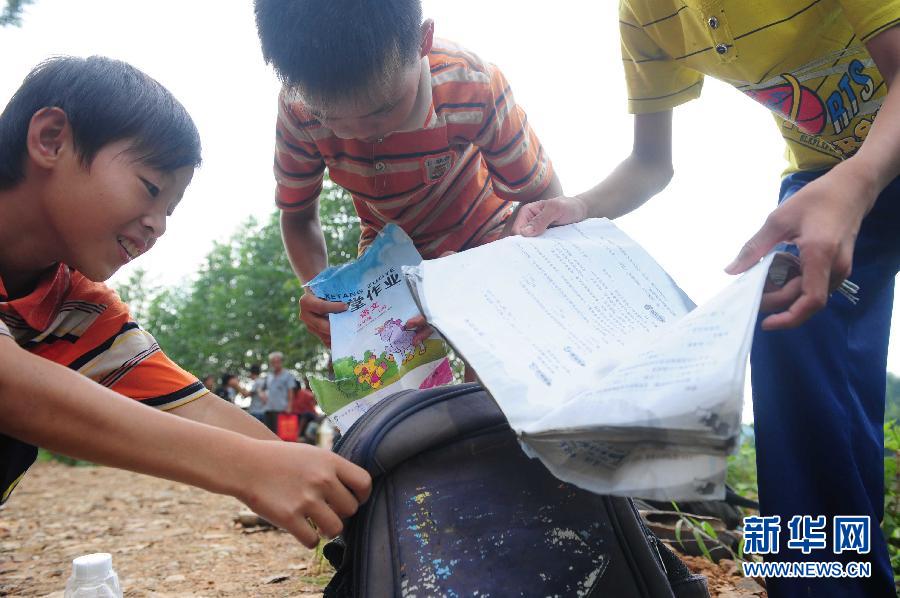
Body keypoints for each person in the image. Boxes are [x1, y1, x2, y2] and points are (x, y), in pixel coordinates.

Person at [513, 4, 900, 597]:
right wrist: (582, 207)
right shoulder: (647, 14)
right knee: (782, 320)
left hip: (867, 159)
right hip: (826, 170)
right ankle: (828, 587)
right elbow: (650, 163)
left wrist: (860, 179)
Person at [0, 56, 370, 548]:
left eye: (168, 211)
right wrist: (247, 469)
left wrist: (338, 484)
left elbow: (193, 408)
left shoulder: (77, 307)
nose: (158, 226)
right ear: (51, 139)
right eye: (150, 189)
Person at [254, 0, 563, 347]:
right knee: (387, 370)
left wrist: (481, 267)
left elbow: (543, 197)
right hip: (388, 257)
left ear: (422, 40)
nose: (359, 135)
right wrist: (320, 288)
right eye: (332, 120)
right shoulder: (299, 109)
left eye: (383, 110)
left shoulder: (471, 85)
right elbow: (297, 216)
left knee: (494, 360)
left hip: (486, 236)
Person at [262, 351, 298, 434]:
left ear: (281, 362)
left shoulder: (287, 375)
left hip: (281, 409)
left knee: (281, 433)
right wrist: (262, 395)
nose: (275, 364)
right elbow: (264, 389)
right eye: (273, 362)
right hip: (268, 408)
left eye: (277, 362)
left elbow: (290, 391)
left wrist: (289, 406)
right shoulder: (269, 375)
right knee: (269, 433)